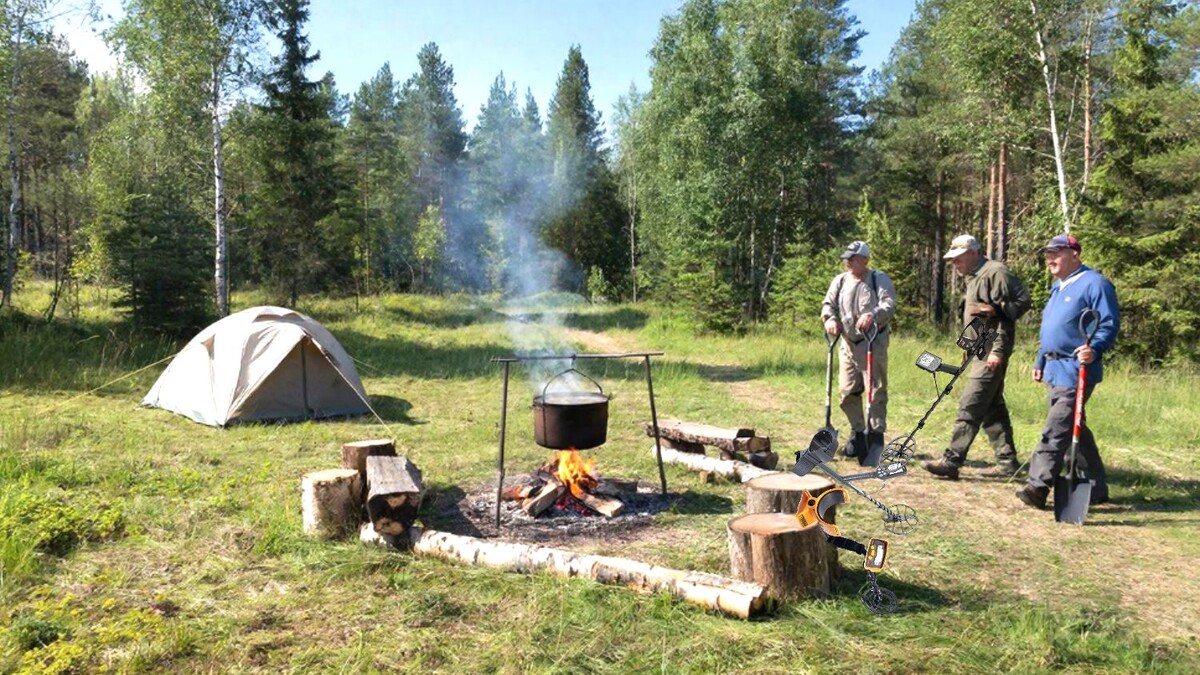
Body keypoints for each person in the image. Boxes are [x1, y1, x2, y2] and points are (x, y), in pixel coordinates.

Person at [1016, 234, 1119, 509]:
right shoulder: (1058, 287)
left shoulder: (1095, 284)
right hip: (1054, 368)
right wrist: (1040, 361)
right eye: (1048, 253)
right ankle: (1095, 487)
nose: (1050, 258)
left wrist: (1094, 348)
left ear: (1075, 254)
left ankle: (1038, 486)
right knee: (1075, 428)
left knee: (1057, 427)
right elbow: (1050, 329)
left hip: (1077, 369)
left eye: (1057, 253)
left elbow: (1108, 323)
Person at [922, 234, 1031, 480]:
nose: (954, 264)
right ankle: (1007, 463)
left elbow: (1018, 306)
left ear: (972, 253)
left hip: (992, 352)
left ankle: (951, 461)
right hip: (981, 351)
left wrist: (998, 350)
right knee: (992, 408)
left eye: (958, 259)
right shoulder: (974, 277)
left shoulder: (996, 272)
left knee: (970, 404)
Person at [821, 240, 897, 458]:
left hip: (873, 342)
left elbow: (889, 304)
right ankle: (858, 433)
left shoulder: (877, 279)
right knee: (846, 393)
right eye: (847, 258)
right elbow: (829, 305)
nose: (848, 262)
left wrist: (872, 314)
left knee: (875, 391)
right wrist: (830, 319)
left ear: (865, 260)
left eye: (853, 258)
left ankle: (875, 439)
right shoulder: (841, 280)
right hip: (847, 343)